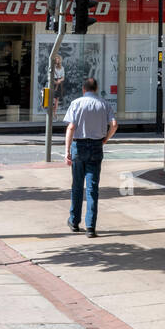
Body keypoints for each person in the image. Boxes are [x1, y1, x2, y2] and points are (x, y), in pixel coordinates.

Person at [64, 76, 118, 238]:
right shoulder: (104, 104)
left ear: (83, 89)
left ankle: (74, 222)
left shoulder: (76, 103)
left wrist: (67, 150)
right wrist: (105, 139)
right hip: (96, 146)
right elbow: (114, 125)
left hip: (79, 146)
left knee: (77, 185)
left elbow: (71, 127)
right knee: (92, 188)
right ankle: (90, 227)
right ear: (96, 89)